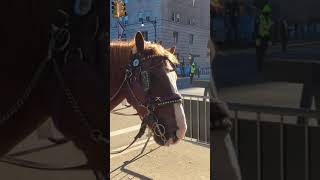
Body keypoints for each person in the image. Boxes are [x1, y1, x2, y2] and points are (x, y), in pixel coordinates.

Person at [255, 3, 273, 72]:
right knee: (260, 54)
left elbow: (270, 30)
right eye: (267, 12)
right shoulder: (260, 18)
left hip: (265, 38)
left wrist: (270, 39)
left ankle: (263, 67)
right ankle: (259, 68)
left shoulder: (268, 19)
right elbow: (256, 29)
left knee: (265, 53)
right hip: (260, 38)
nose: (268, 13)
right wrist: (257, 39)